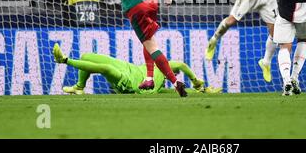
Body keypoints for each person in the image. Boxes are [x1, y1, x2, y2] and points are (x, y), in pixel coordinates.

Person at [52, 43, 221, 95]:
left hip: (131, 83)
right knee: (87, 56)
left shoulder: (160, 87)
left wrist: (201, 89)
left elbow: (182, 71)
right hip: (128, 67)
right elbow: (182, 65)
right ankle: (79, 87)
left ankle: (64, 60)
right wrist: (196, 82)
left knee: (103, 68)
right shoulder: (163, 67)